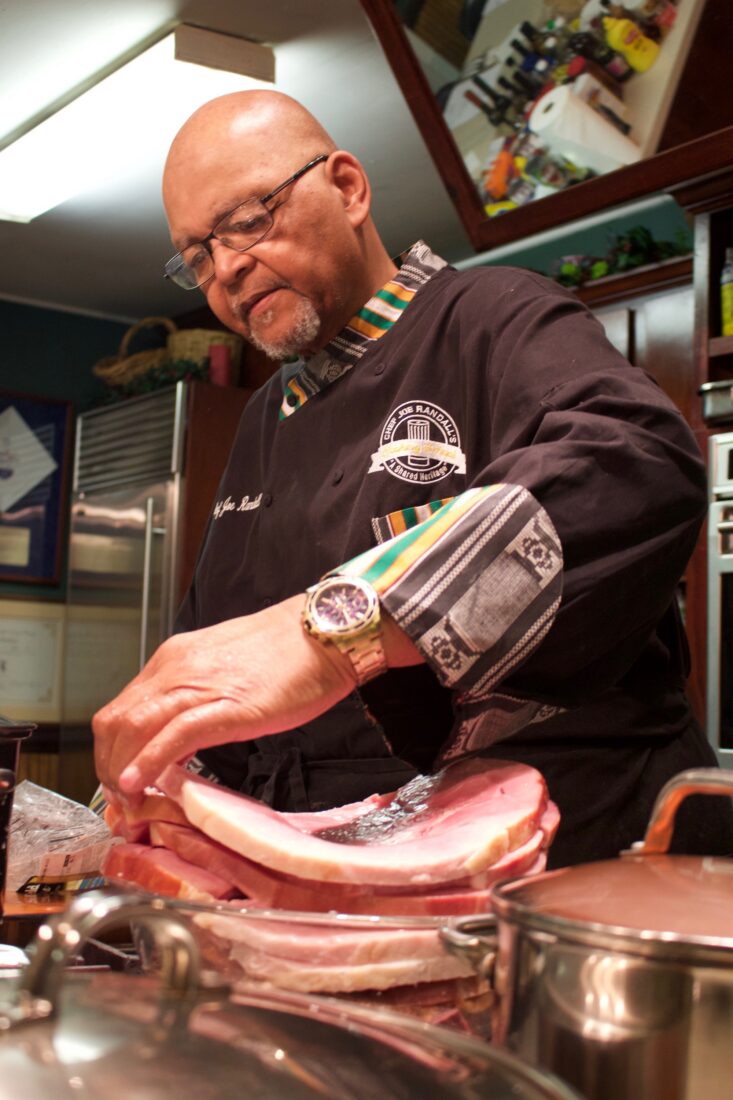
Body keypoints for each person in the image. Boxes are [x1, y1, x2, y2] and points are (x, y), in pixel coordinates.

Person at [93, 90, 733, 867]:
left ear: (348, 188)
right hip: (337, 881)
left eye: (250, 220)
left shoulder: (493, 315)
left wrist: (334, 632)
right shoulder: (263, 417)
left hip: (565, 864)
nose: (226, 268)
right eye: (198, 256)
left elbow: (636, 463)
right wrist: (151, 784)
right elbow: (218, 669)